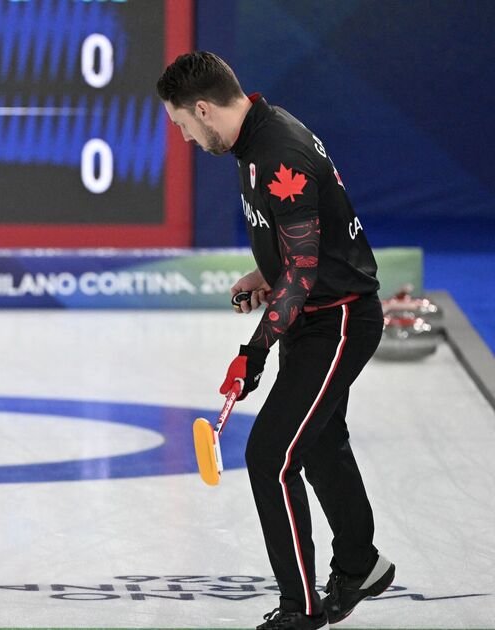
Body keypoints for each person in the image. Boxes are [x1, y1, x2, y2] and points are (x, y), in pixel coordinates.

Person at [156, 52, 395, 630]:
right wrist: (265, 276)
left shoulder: (278, 153)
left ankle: (300, 609)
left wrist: (254, 350)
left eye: (183, 124)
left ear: (205, 109)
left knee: (270, 456)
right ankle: (361, 563)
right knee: (318, 443)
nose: (185, 137)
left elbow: (308, 271)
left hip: (336, 322)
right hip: (317, 315)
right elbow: (301, 247)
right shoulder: (253, 141)